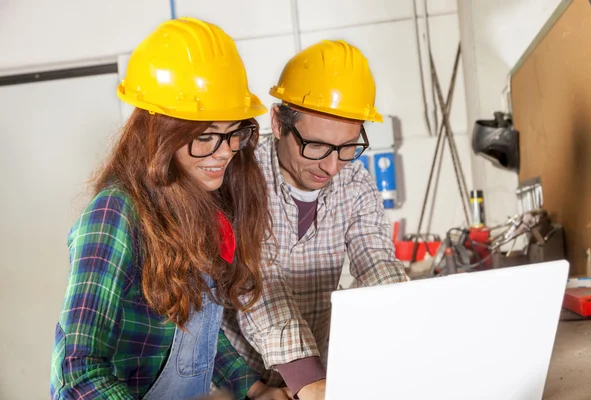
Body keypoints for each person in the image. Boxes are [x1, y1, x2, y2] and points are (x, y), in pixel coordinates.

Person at [50, 18, 290, 400]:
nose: (226, 151)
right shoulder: (115, 215)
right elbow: (77, 371)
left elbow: (194, 333)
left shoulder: (198, 205)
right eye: (205, 137)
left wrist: (255, 388)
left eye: (233, 133)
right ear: (159, 135)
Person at [222, 40, 410, 399]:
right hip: (242, 381)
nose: (331, 165)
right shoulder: (238, 179)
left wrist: (400, 313)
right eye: (317, 147)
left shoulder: (355, 182)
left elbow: (377, 262)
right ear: (278, 123)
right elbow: (257, 284)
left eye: (347, 147)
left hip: (317, 376)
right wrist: (306, 377)